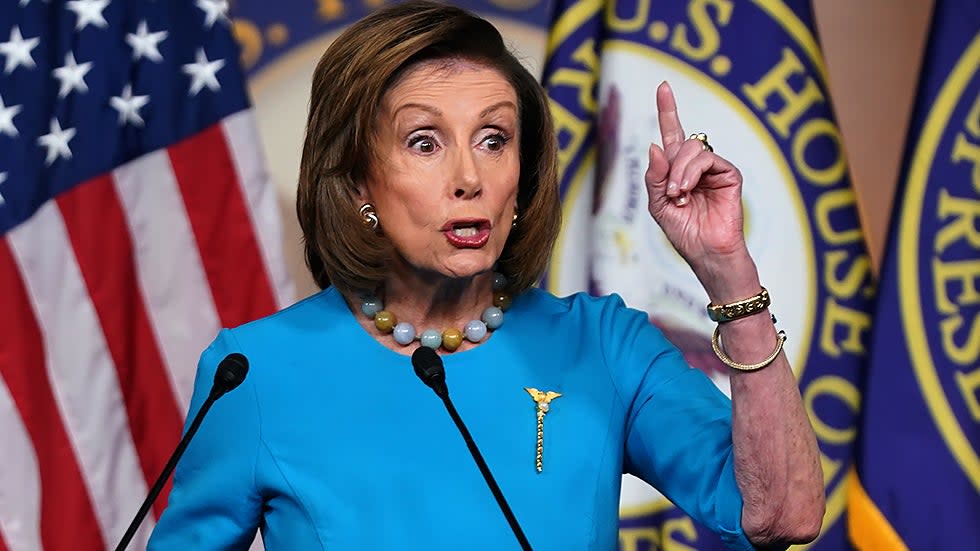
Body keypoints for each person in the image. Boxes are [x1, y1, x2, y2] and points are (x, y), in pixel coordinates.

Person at [147, 1, 824, 549]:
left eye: (493, 139)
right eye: (425, 142)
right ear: (358, 181)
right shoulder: (254, 371)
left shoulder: (604, 347)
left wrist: (728, 272)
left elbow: (783, 515)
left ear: (522, 180)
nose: (468, 178)